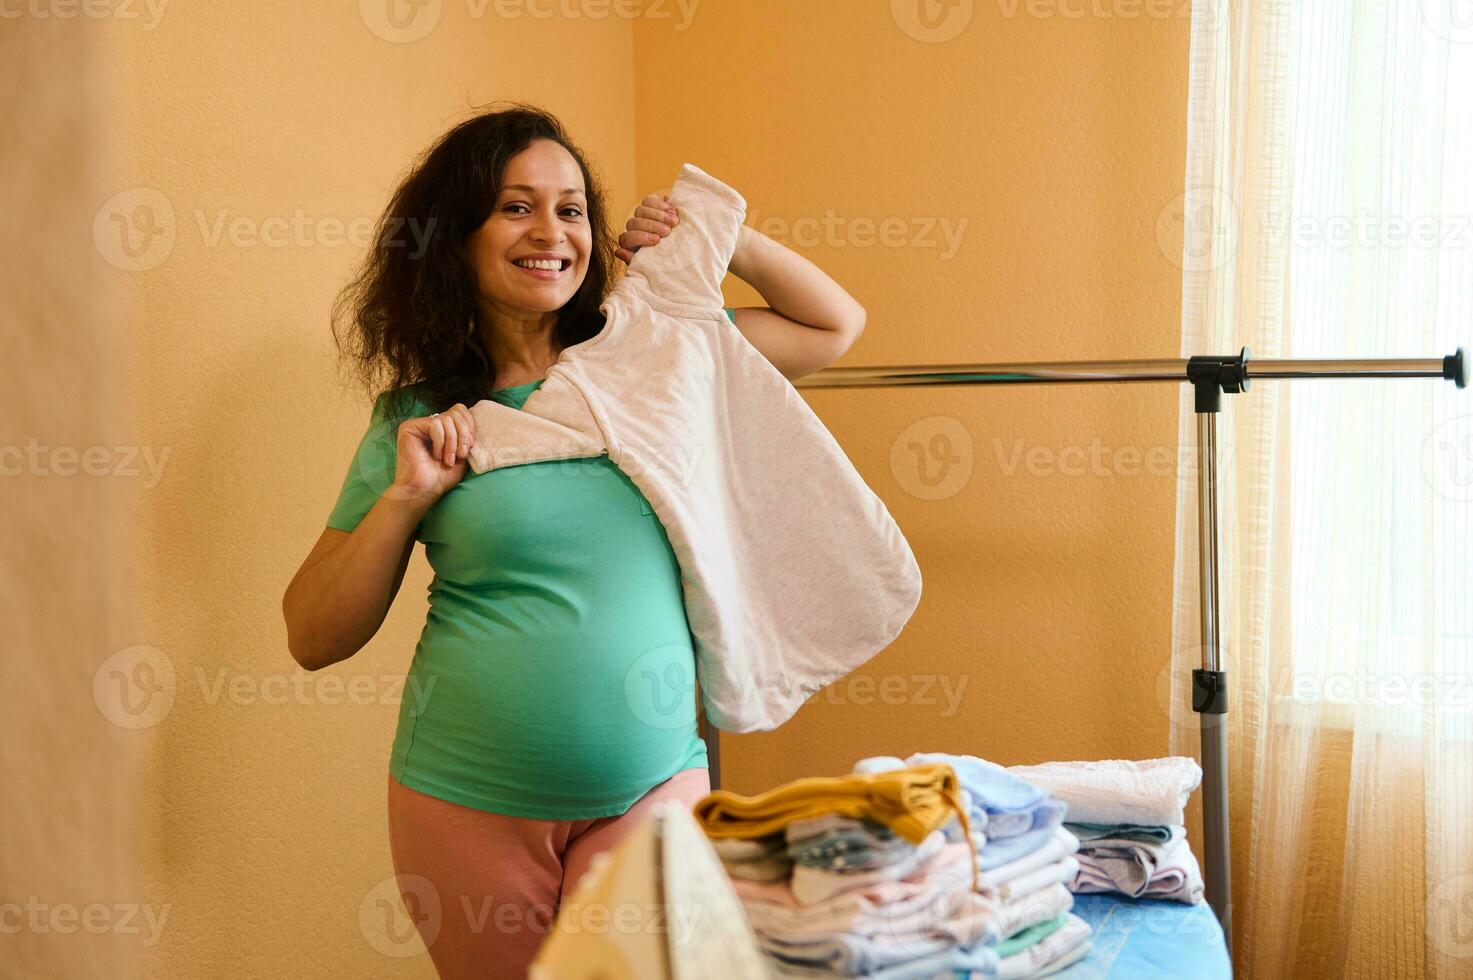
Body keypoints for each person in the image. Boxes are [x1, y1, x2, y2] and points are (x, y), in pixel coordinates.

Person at [281, 102, 867, 979]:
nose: (550, 231)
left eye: (570, 208)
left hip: (655, 785)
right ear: (454, 237)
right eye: (515, 207)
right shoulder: (417, 418)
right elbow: (312, 636)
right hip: (463, 802)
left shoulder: (657, 359)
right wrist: (404, 499)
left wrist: (713, 237)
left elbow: (831, 326)